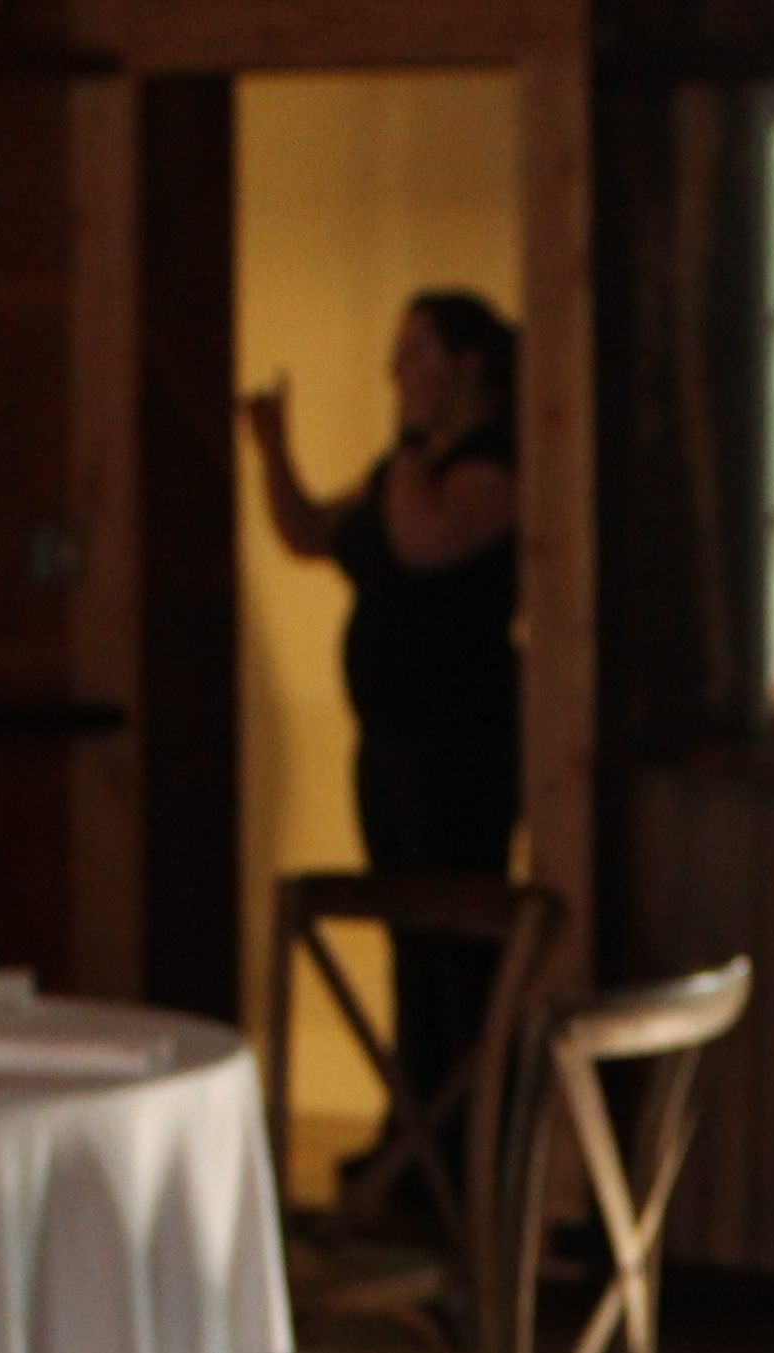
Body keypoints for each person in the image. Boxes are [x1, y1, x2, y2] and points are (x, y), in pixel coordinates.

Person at [241, 292, 521, 1137]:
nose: (397, 371)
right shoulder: (402, 468)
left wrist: (409, 441)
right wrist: (272, 448)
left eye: (417, 352)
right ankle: (415, 1134)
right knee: (408, 940)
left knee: (456, 946)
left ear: (468, 363)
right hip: (391, 741)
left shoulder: (492, 464)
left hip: (460, 745)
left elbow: (421, 541)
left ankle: (470, 1135)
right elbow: (310, 531)